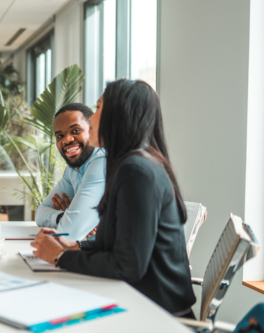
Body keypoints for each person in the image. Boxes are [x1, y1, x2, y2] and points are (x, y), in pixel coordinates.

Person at [31, 79, 197, 317]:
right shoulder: (130, 164)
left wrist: (61, 257)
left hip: (159, 316)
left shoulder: (136, 171)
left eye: (98, 109)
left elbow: (128, 266)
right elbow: (123, 242)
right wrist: (76, 246)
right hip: (142, 302)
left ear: (118, 116)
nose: (92, 119)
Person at [34, 103, 105, 241]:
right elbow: (40, 214)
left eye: (76, 131)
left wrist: (72, 221)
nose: (66, 140)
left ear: (92, 129)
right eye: (60, 136)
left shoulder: (101, 161)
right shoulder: (73, 169)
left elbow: (68, 233)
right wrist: (64, 217)